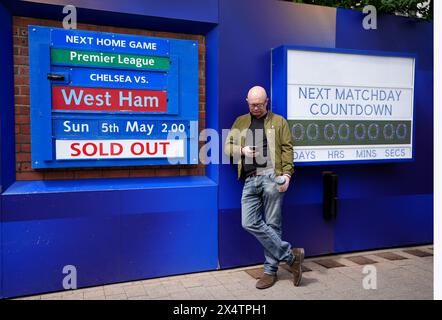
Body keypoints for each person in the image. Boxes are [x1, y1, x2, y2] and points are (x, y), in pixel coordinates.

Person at [224, 85, 305, 289]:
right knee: (248, 222)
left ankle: (270, 272)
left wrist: (287, 175)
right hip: (251, 179)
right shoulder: (240, 122)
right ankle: (291, 256)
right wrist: (241, 150)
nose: (256, 108)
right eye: (252, 105)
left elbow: (287, 149)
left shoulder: (279, 122)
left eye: (259, 104)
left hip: (272, 177)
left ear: (266, 102)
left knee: (273, 224)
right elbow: (227, 147)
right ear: (247, 102)